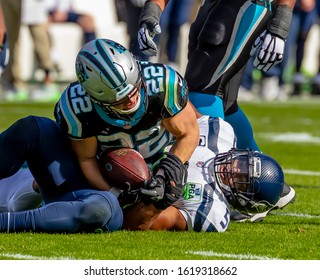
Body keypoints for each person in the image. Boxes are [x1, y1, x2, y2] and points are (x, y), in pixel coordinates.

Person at [138, 0, 296, 221]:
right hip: (213, 5)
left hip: (246, 5)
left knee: (202, 92)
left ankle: (213, 189)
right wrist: (151, 11)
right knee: (224, 102)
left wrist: (281, 23)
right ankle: (264, 184)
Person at [0, 114, 286, 232]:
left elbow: (133, 223)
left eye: (242, 177)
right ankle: (31, 188)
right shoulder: (220, 133)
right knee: (34, 127)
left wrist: (155, 203)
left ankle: (8, 221)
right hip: (91, 161)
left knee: (100, 209)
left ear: (242, 201)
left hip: (104, 196)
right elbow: (178, 117)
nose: (235, 167)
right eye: (244, 162)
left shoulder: (211, 210)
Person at [54, 38, 200, 207]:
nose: (131, 100)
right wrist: (116, 195)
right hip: (113, 173)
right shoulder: (78, 107)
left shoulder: (162, 83)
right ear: (96, 98)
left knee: (197, 198)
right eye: (120, 100)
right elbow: (86, 160)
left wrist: (166, 174)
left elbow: (189, 133)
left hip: (165, 155)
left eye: (134, 89)